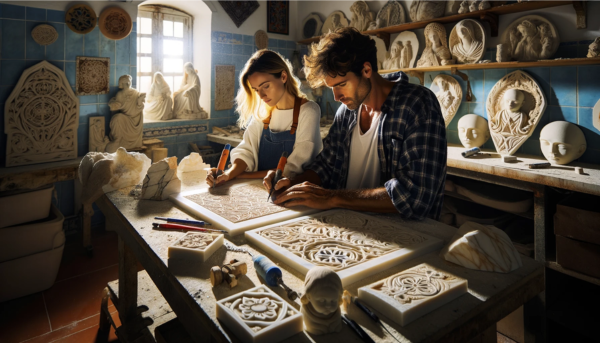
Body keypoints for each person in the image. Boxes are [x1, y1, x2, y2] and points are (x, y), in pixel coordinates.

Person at [265, 27, 447, 221]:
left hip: (405, 237)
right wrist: (290, 184)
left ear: (366, 70)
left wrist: (332, 198)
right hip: (350, 227)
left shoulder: (417, 104)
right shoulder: (347, 112)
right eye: (331, 88)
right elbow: (326, 167)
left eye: (341, 84)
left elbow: (414, 196)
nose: (336, 97)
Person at [206, 50, 322, 187]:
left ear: (283, 76)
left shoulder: (308, 110)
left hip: (288, 190)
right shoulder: (263, 112)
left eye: (266, 86)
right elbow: (246, 151)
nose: (261, 95)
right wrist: (228, 173)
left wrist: (243, 175)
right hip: (259, 190)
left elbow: (293, 168)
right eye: (256, 90)